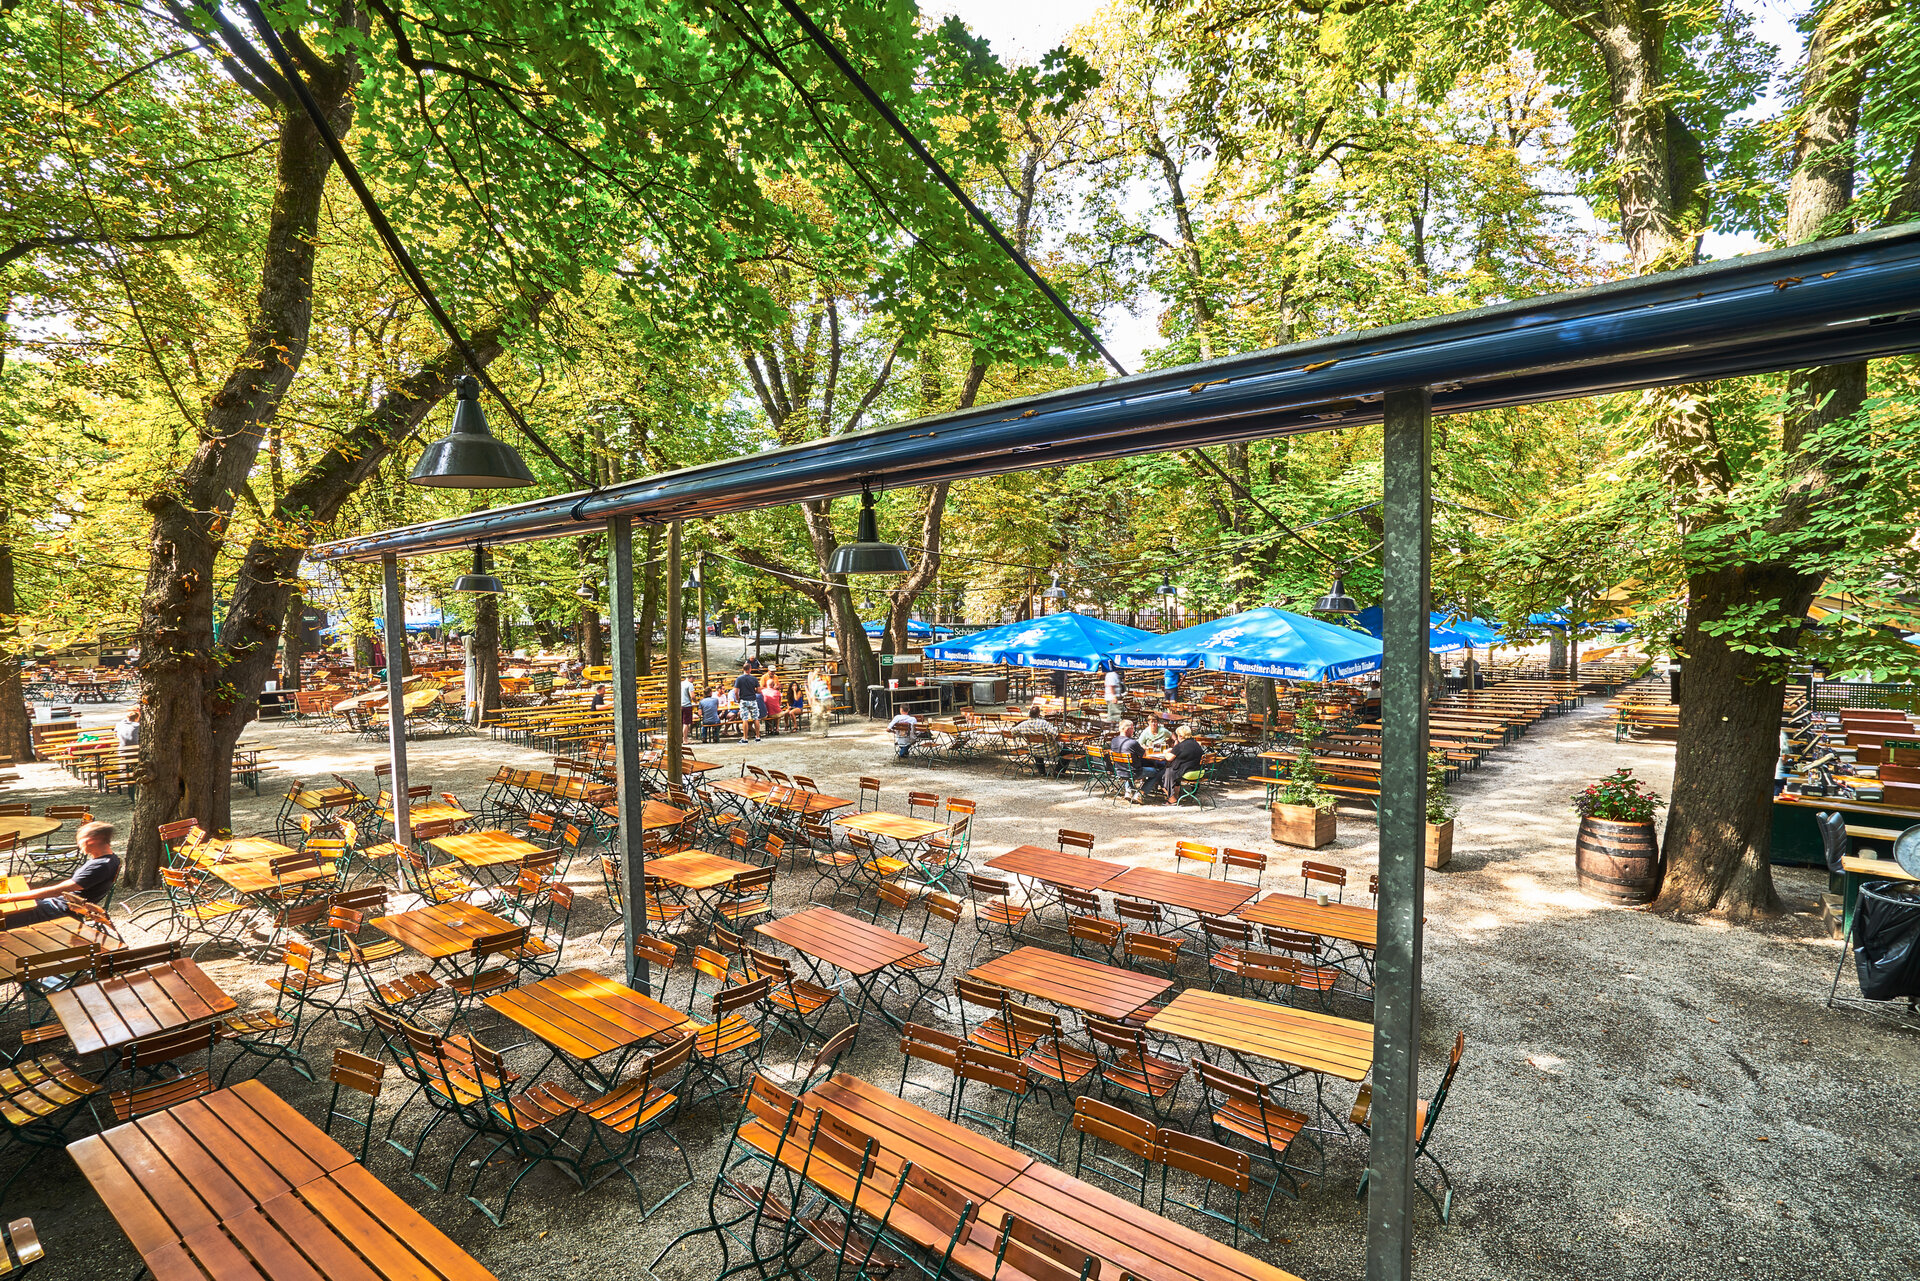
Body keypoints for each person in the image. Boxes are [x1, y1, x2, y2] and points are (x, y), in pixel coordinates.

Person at [1, 820, 120, 925]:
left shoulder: (100, 866)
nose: (79, 844)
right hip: (62, 905)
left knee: (4, 916)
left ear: (93, 840)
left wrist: (9, 897)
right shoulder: (111, 859)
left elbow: (57, 891)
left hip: (60, 909)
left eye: (81, 840)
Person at [1160, 725, 1205, 804]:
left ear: (1180, 736)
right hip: (1199, 772)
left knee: (1162, 773)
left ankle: (1172, 798)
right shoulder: (1196, 744)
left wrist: (1165, 752)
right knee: (1174, 771)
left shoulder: (1180, 746)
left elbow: (1169, 758)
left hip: (1188, 773)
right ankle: (1176, 796)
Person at [1013, 704, 1062, 776]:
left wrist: (1022, 734)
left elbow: (1012, 732)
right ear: (1039, 714)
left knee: (1037, 748)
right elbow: (1055, 733)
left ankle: (1042, 772)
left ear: (1029, 714)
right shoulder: (1044, 723)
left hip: (1034, 751)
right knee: (1067, 751)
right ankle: (1058, 771)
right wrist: (1056, 728)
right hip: (1049, 750)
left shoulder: (1023, 724)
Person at [1109, 719, 1147, 803]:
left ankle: (1128, 791)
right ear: (1127, 729)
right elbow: (1144, 755)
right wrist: (1143, 748)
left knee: (1127, 766)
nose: (1133, 730)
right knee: (1156, 772)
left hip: (1118, 771)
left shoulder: (1113, 741)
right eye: (1132, 728)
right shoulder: (1132, 743)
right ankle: (1140, 794)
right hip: (1134, 773)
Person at [734, 665, 763, 742]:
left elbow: (736, 691)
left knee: (745, 719)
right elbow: (759, 690)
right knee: (756, 718)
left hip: (743, 699)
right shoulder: (754, 678)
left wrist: (738, 699)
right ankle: (757, 736)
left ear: (743, 669)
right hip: (753, 699)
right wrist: (754, 691)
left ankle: (745, 738)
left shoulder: (739, 679)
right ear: (750, 669)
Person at [808, 668, 833, 735]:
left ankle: (814, 731)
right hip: (828, 698)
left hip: (823, 699)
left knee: (817, 714)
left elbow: (813, 696)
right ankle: (825, 732)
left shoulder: (814, 683)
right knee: (825, 715)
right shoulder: (822, 681)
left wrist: (813, 702)